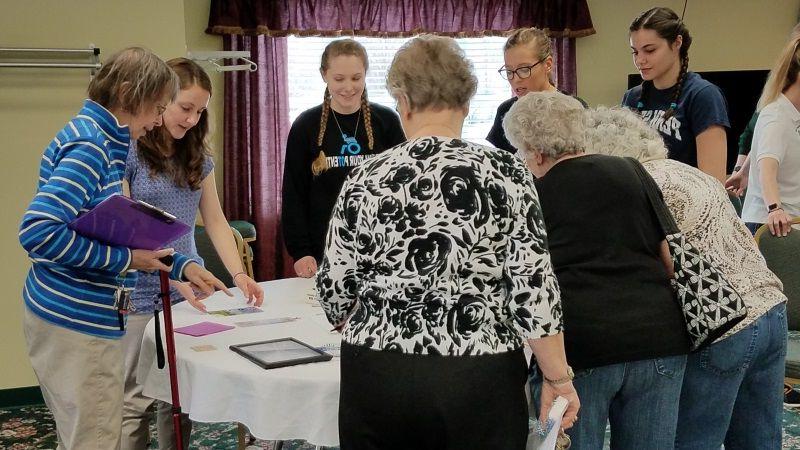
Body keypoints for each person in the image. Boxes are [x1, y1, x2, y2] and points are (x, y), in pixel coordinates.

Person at [317, 35, 579, 450]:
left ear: (402, 101)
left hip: (378, 374)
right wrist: (558, 377)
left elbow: (334, 288)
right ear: (467, 102)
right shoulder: (506, 171)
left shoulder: (364, 178)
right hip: (478, 375)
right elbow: (533, 288)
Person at [18, 47, 230, 450]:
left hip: (70, 313)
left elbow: (116, 229)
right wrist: (125, 260)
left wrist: (181, 263)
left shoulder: (102, 139)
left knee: (87, 434)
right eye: (156, 108)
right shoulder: (92, 147)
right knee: (97, 439)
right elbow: (37, 232)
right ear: (129, 93)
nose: (155, 121)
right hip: (76, 319)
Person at [585, 105, 787, 450]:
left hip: (723, 324)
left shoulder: (637, 185)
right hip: (771, 309)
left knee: (692, 441)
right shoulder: (688, 172)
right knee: (760, 441)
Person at [503, 91, 690, 450]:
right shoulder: (631, 168)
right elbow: (669, 258)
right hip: (659, 336)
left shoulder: (531, 194)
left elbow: (527, 280)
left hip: (582, 345)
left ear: (535, 153)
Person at [120, 58, 264, 450]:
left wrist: (239, 276)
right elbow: (128, 228)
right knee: (135, 400)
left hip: (187, 285)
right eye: (186, 107)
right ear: (162, 100)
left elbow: (215, 222)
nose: (191, 118)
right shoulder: (129, 151)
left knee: (177, 396)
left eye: (199, 110)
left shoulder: (199, 156)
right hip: (139, 286)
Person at [282, 39, 405, 278]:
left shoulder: (387, 121)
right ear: (324, 75)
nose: (348, 87)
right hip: (323, 248)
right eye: (339, 79)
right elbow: (293, 193)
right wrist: (301, 251)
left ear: (366, 75)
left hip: (381, 247)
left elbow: (402, 187)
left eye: (356, 78)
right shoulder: (305, 125)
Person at [623, 7, 730, 184]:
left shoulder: (703, 95)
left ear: (677, 43)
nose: (640, 60)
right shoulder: (632, 98)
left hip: (688, 202)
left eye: (649, 50)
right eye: (635, 52)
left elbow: (713, 181)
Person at [487, 27, 586, 153]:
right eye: (509, 71)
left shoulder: (574, 108)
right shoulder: (506, 111)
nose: (515, 79)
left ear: (548, 64)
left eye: (524, 69)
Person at [739, 34, 800, 237]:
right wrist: (775, 209)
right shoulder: (776, 114)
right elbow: (767, 168)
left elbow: (766, 148)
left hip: (788, 224)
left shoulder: (792, 111)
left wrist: (745, 171)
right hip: (770, 225)